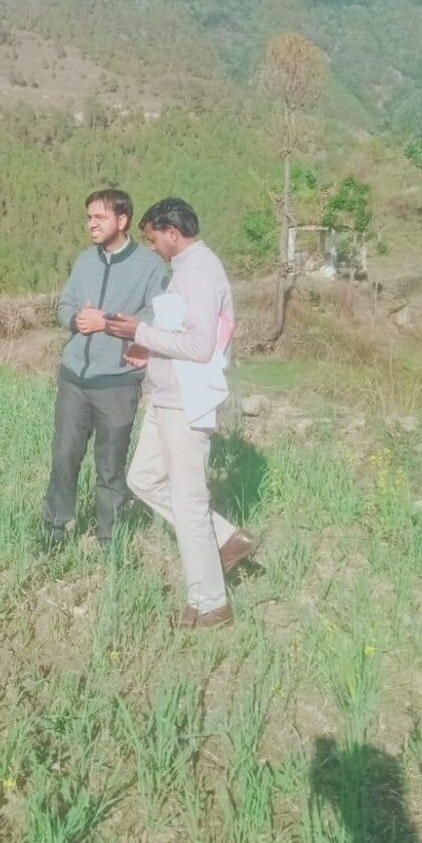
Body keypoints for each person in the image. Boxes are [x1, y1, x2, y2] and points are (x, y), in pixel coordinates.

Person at [105, 198, 260, 628]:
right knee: (143, 478)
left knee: (188, 503)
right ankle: (227, 539)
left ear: (173, 233)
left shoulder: (201, 271)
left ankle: (211, 604)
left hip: (187, 403)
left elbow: (200, 345)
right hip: (167, 397)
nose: (153, 247)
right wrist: (148, 348)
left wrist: (140, 331)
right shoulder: (186, 269)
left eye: (154, 238)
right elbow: (181, 334)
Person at [43, 189, 168, 550]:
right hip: (74, 379)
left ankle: (109, 540)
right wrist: (75, 320)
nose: (91, 224)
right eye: (89, 218)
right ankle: (54, 531)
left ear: (122, 220)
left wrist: (107, 323)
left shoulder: (150, 267)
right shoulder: (85, 261)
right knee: (64, 457)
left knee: (110, 465)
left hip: (117, 382)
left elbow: (159, 317)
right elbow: (65, 305)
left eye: (99, 217)